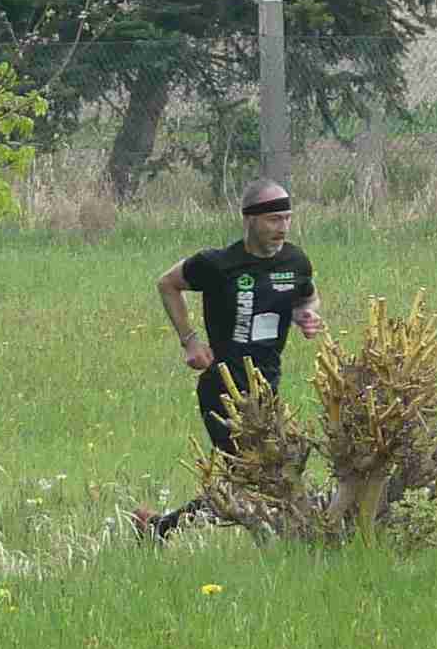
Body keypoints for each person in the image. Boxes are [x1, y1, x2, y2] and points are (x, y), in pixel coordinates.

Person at [136, 181, 320, 537]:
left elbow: (307, 297)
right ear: (249, 220)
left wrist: (306, 315)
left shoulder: (295, 261)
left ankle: (162, 528)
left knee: (262, 478)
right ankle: (278, 542)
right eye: (273, 219)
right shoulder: (218, 264)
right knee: (254, 475)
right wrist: (190, 341)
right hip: (222, 387)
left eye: (287, 218)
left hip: (267, 387)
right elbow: (167, 284)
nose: (282, 227)